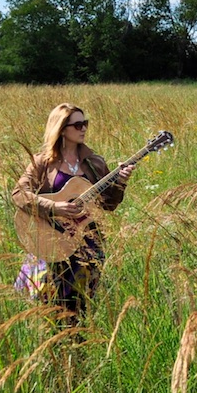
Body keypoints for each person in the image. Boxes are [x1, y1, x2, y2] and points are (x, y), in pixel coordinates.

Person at [11, 103, 134, 319]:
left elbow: (108, 205)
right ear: (61, 129)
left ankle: (77, 338)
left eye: (85, 123)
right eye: (77, 125)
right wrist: (54, 207)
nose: (83, 128)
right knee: (45, 302)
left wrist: (121, 182)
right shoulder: (42, 163)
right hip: (51, 238)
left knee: (79, 305)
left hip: (88, 243)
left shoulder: (94, 163)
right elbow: (19, 193)